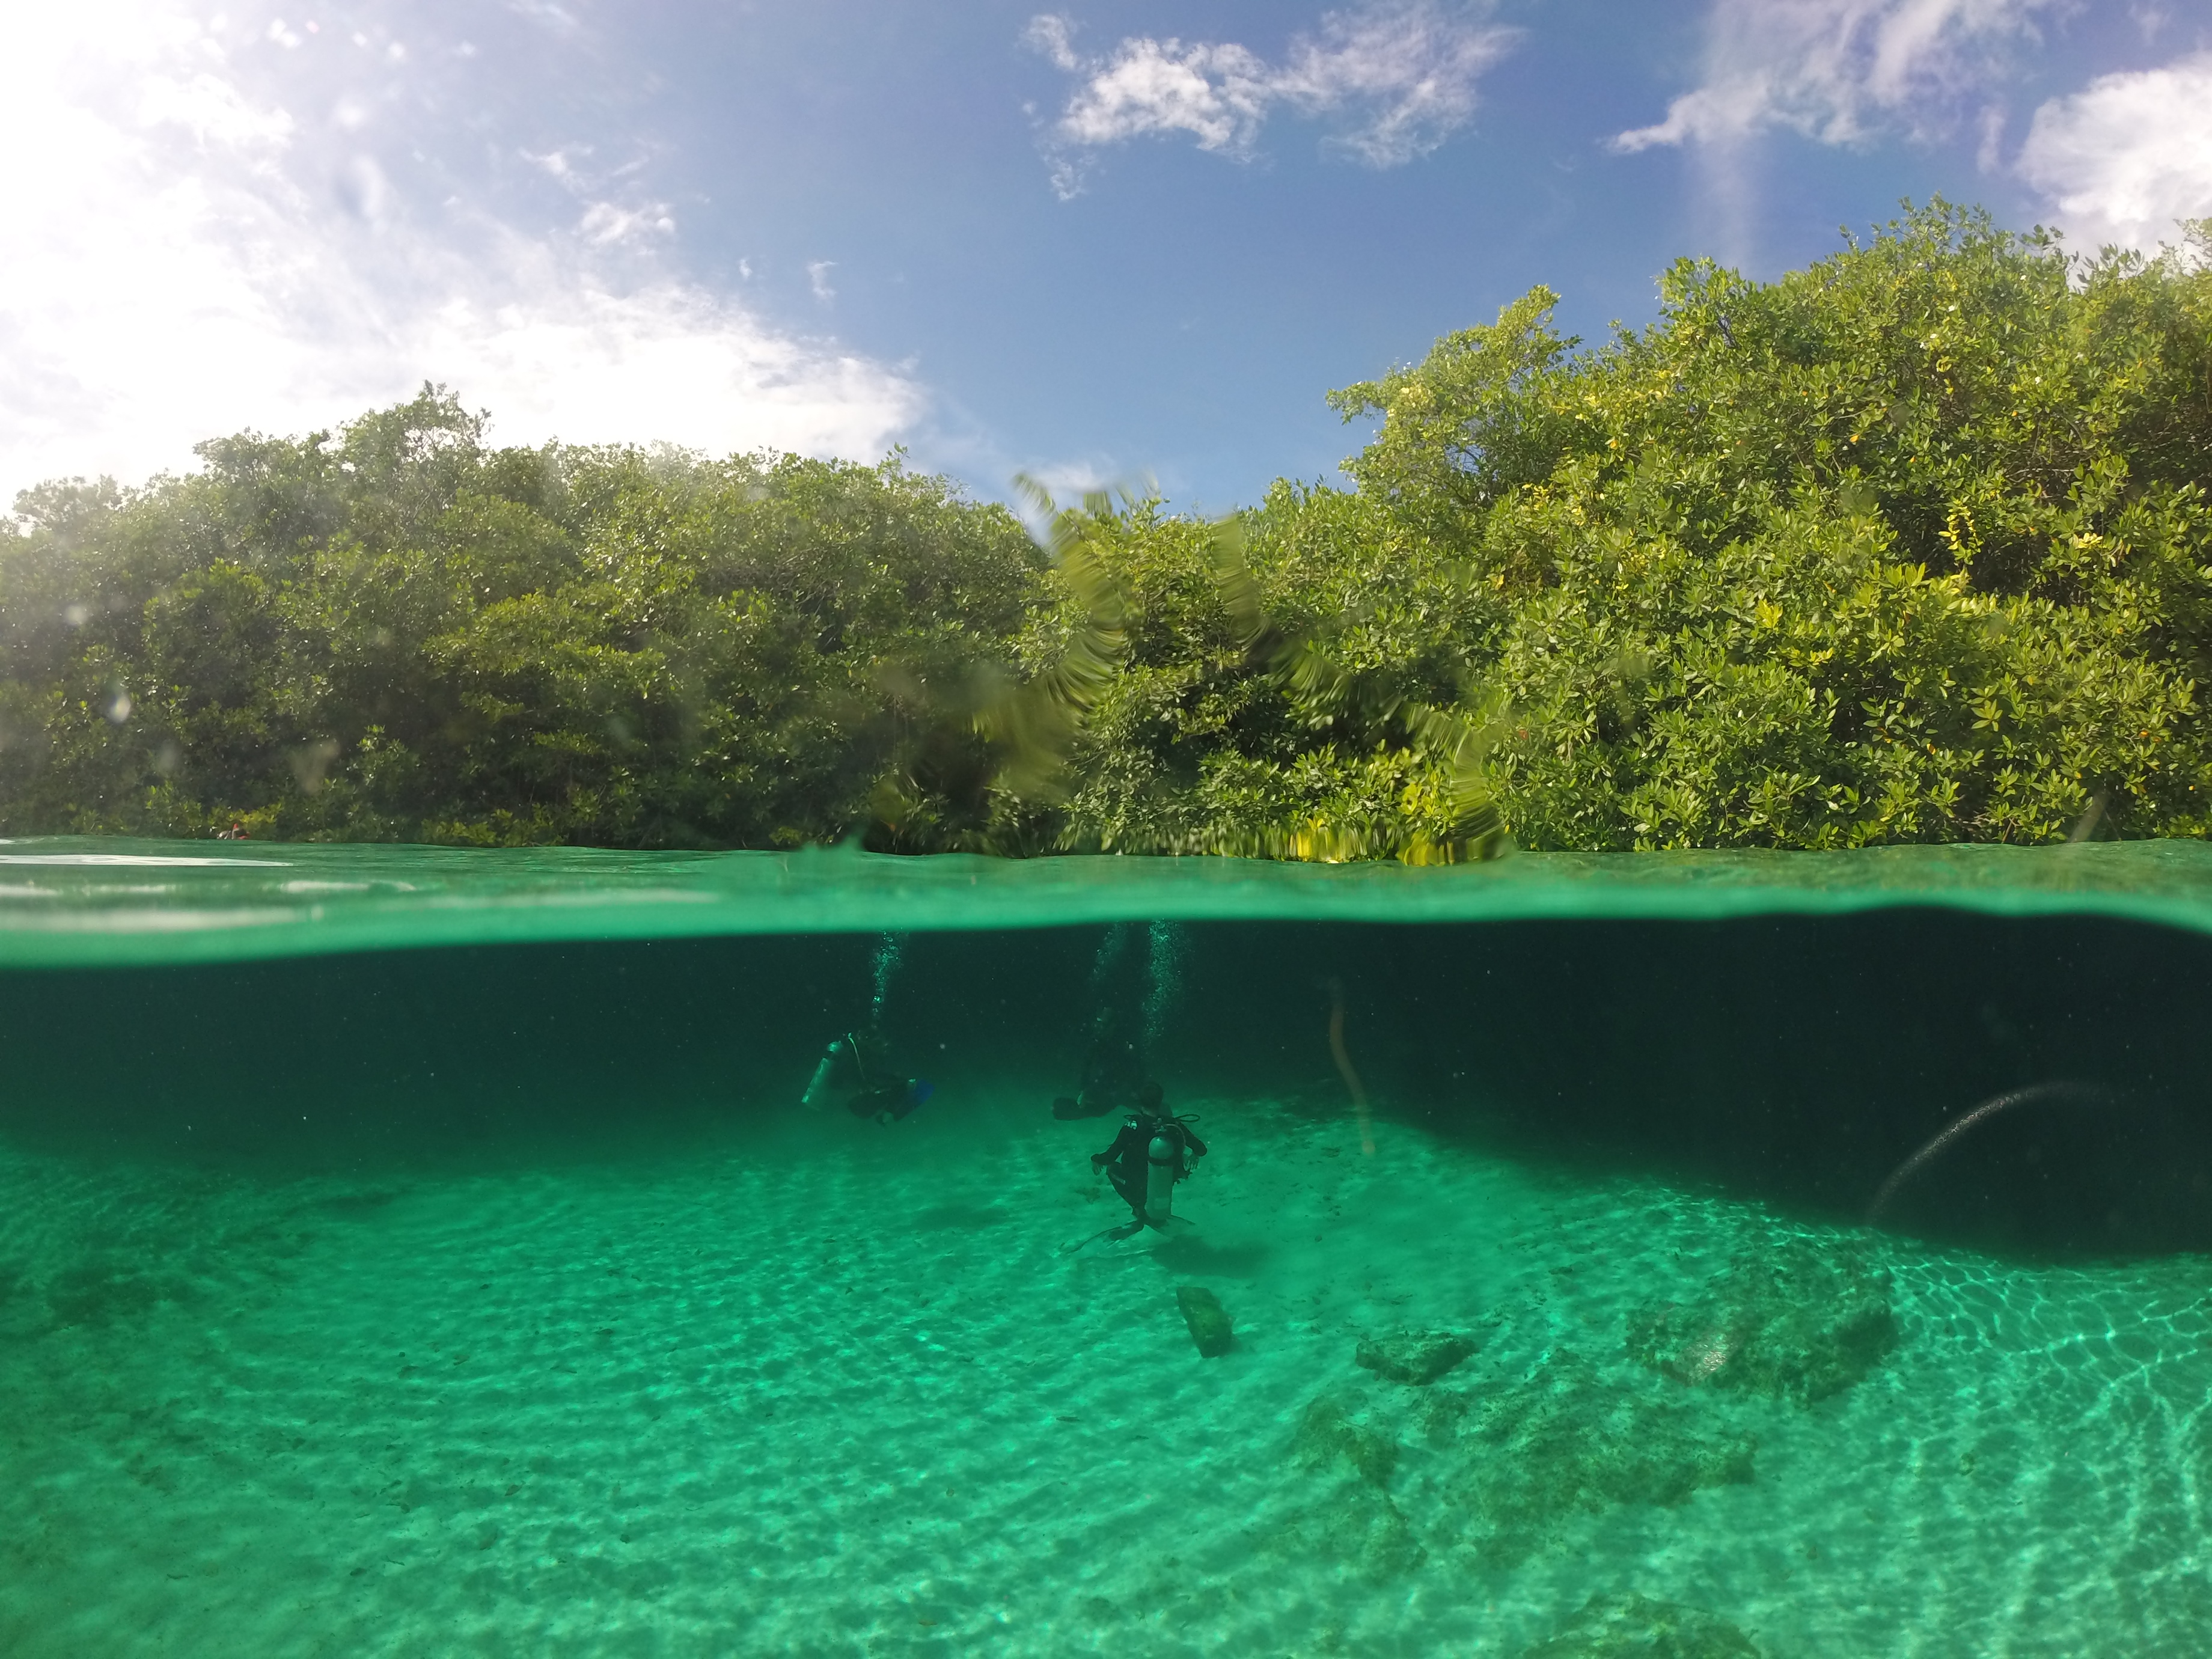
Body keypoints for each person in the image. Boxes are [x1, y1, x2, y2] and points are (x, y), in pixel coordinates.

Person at [1089, 1082, 1207, 1238]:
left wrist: (1095, 1158)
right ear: (1161, 1101)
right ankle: (1150, 1205)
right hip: (1164, 1179)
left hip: (1137, 1181)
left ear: (1138, 1101)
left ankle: (1139, 1208)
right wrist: (1195, 1155)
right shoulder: (1172, 1124)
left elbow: (1110, 1156)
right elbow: (1201, 1148)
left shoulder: (1132, 1126)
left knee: (1112, 1168)